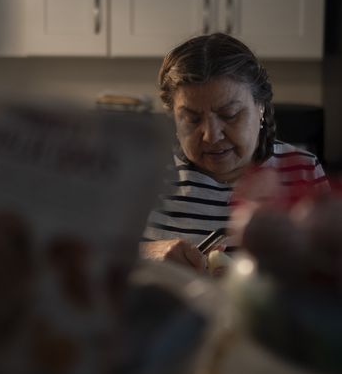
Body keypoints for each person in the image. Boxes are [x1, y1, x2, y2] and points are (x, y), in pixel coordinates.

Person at [139, 33, 328, 272]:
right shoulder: (145, 171)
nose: (211, 136)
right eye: (192, 119)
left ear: (260, 108)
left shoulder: (302, 169)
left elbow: (331, 265)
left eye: (230, 115)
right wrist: (148, 253)